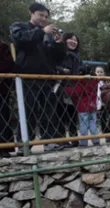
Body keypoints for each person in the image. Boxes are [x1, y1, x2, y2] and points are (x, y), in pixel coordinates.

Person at [9, 2, 66, 153]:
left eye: (46, 17)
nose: (44, 19)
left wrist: (59, 44)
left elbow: (57, 58)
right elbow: (20, 40)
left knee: (49, 111)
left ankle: (50, 142)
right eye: (41, 15)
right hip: (27, 77)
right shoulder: (19, 26)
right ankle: (24, 144)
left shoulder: (48, 35)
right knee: (28, 111)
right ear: (31, 13)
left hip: (47, 78)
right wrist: (42, 32)